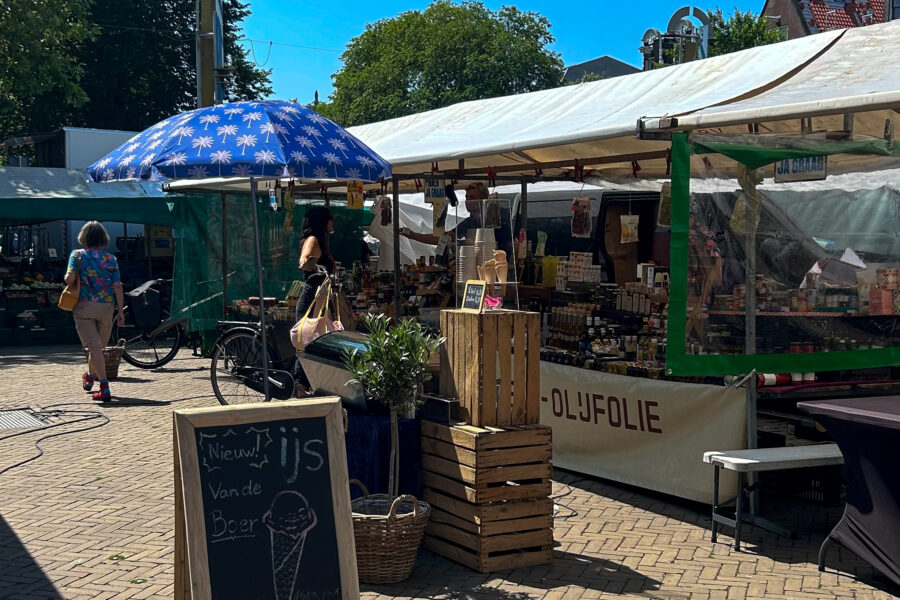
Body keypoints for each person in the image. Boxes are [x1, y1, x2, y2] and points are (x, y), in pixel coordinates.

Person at [66, 221, 125, 402]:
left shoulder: (77, 256)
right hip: (107, 307)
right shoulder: (111, 259)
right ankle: (90, 377)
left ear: (84, 237)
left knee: (93, 347)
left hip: (84, 306)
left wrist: (72, 276)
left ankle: (104, 387)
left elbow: (69, 279)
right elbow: (117, 285)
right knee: (98, 347)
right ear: (103, 238)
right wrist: (120, 311)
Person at [400, 182, 511, 259]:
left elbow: (512, 244)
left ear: (483, 199)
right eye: (467, 197)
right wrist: (413, 235)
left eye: (472, 197)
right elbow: (444, 238)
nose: (467, 201)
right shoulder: (468, 223)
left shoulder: (497, 219)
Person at [293, 207, 335, 393]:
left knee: (316, 339)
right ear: (322, 222)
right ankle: (300, 383)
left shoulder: (322, 241)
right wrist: (310, 263)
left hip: (321, 295)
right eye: (330, 220)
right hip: (313, 296)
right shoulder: (313, 240)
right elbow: (304, 260)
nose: (332, 224)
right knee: (309, 340)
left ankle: (309, 383)